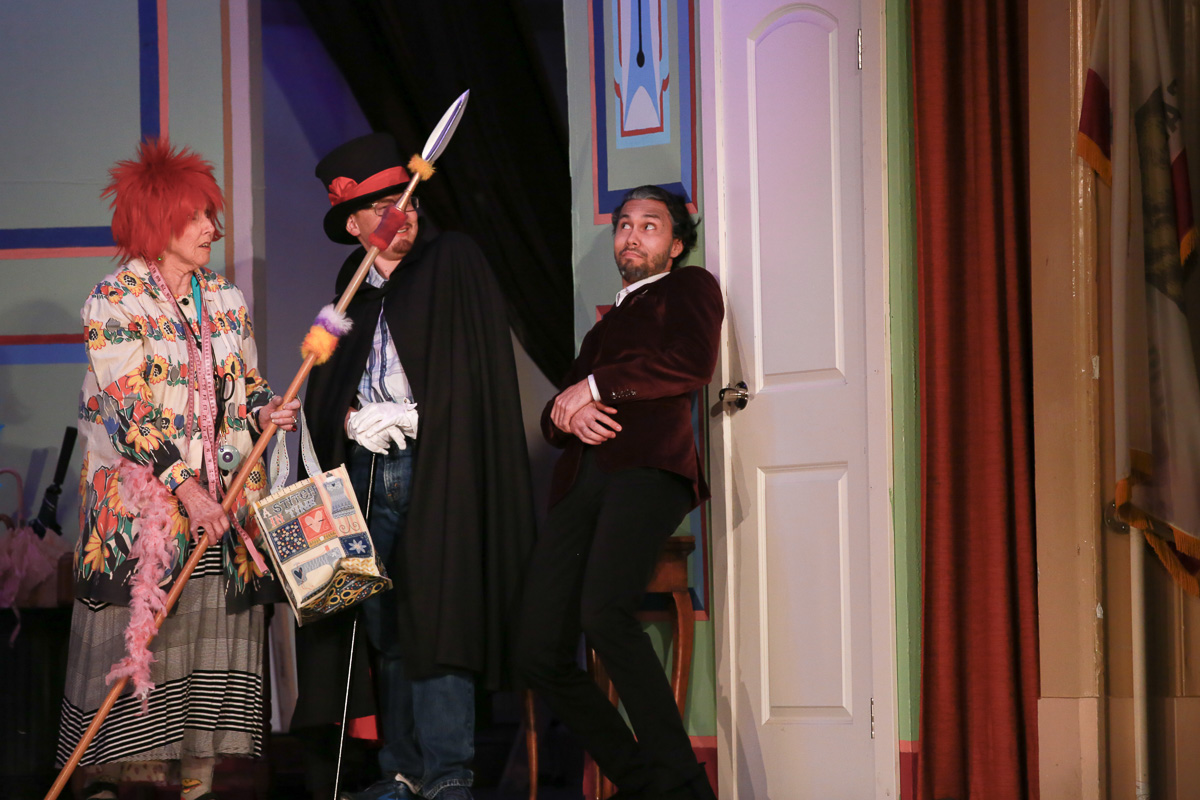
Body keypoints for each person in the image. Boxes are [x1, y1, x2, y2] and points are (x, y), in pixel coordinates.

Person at [294, 132, 536, 800]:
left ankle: (449, 773)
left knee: (439, 616)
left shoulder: (451, 259)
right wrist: (344, 418)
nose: (401, 218)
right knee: (385, 625)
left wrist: (419, 416)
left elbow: (471, 372)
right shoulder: (350, 285)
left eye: (407, 204)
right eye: (382, 209)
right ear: (354, 224)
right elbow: (325, 372)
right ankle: (400, 771)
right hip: (366, 473)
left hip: (437, 466)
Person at [57, 138, 300, 800]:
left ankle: (198, 786)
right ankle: (109, 787)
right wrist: (186, 491)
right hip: (144, 517)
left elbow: (242, 383)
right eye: (195, 216)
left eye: (210, 214)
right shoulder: (114, 300)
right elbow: (128, 411)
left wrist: (266, 407)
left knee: (206, 648)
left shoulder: (225, 297)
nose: (211, 228)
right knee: (135, 648)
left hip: (222, 506)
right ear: (157, 222)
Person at [514, 186, 723, 800]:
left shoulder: (690, 287)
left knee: (603, 614)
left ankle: (684, 787)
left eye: (650, 225)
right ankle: (643, 782)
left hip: (647, 471)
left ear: (675, 245)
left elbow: (692, 364)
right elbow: (556, 417)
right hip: (581, 483)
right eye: (624, 224)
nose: (632, 235)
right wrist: (572, 409)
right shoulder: (602, 329)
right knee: (535, 651)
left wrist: (597, 387)